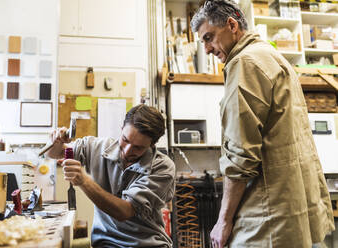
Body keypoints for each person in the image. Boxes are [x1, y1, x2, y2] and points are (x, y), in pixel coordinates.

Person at [191, 1, 334, 247]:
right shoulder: (270, 55)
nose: (206, 49)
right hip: (290, 206)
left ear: (232, 25)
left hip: (267, 215)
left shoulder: (244, 63)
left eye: (209, 38)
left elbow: (241, 154)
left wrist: (223, 221)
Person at [47, 104, 175, 248]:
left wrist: (84, 182)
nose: (127, 151)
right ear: (122, 129)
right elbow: (53, 153)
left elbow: (124, 212)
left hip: (146, 245)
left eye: (138, 147)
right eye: (125, 139)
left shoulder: (162, 167)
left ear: (152, 145)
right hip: (105, 244)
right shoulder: (97, 147)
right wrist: (56, 141)